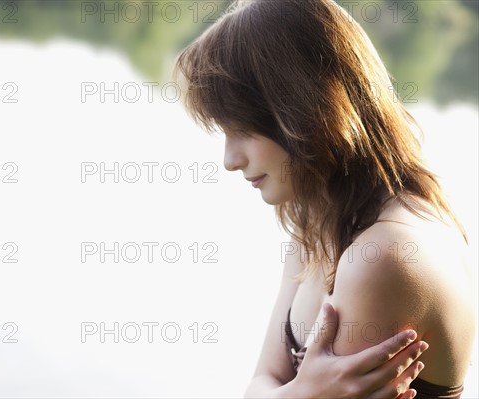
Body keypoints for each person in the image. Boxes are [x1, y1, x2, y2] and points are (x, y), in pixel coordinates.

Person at [172, 0, 477, 398]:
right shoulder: (316, 216)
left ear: (306, 111)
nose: (230, 160)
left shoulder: (381, 256)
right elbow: (260, 381)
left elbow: (268, 387)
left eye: (242, 128)